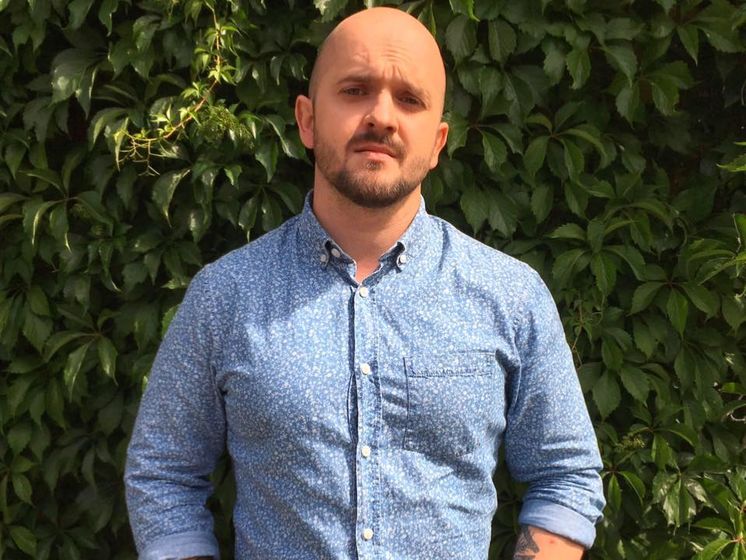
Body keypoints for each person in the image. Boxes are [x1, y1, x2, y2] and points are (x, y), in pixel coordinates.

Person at [125, 7, 605, 560]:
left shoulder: (510, 296)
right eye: (355, 91)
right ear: (307, 120)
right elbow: (163, 472)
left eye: (410, 100)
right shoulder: (226, 296)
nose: (381, 116)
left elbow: (565, 474)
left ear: (438, 142)